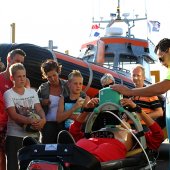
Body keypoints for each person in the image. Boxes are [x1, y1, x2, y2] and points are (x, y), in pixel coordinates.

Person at [67, 98, 164, 162]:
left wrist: (138, 110)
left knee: (88, 160)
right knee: (77, 150)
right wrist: (86, 110)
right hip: (87, 144)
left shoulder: (134, 135)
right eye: (122, 117)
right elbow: (74, 132)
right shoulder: (95, 131)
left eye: (125, 117)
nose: (123, 118)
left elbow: (158, 135)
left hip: (109, 149)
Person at [3, 63, 46, 170]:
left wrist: (43, 120)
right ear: (12, 78)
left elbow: (39, 108)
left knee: (34, 167)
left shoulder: (32, 92)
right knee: (13, 167)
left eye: (24, 76)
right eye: (19, 76)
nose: (22, 79)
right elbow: (13, 115)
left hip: (34, 136)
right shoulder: (8, 94)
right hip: (15, 137)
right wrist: (31, 121)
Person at [0, 48, 30, 170]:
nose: (19, 64)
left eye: (22, 62)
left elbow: (28, 103)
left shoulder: (24, 81)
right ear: (8, 59)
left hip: (17, 126)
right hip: (2, 125)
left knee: (17, 161)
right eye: (17, 60)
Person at [37, 59, 69, 144]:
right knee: (47, 151)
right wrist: (42, 101)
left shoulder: (67, 85)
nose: (52, 79)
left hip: (64, 124)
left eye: (54, 75)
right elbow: (34, 102)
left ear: (58, 72)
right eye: (49, 77)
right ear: (45, 76)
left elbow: (82, 95)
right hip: (47, 125)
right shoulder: (43, 87)